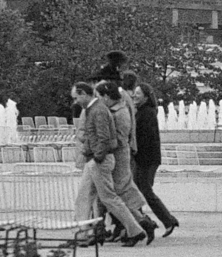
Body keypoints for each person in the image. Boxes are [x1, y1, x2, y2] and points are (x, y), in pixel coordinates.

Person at [72, 82, 147, 247]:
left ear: (84, 94)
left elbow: (105, 138)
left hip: (99, 160)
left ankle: (136, 230)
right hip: (96, 159)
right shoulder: (97, 109)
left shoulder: (98, 110)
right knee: (85, 197)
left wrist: (96, 157)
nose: (75, 101)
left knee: (108, 198)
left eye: (76, 97)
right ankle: (83, 233)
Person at [99, 80, 157, 244]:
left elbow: (121, 138)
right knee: (113, 195)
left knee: (116, 194)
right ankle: (134, 225)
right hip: (113, 155)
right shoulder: (113, 108)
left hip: (117, 156)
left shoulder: (121, 110)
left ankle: (139, 224)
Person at [122, 70, 179, 236]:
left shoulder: (147, 113)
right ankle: (144, 222)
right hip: (145, 159)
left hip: (146, 159)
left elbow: (145, 139)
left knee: (144, 191)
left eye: (138, 94)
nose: (135, 96)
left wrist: (135, 153)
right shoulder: (142, 111)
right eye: (135, 93)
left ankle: (165, 220)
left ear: (146, 96)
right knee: (139, 191)